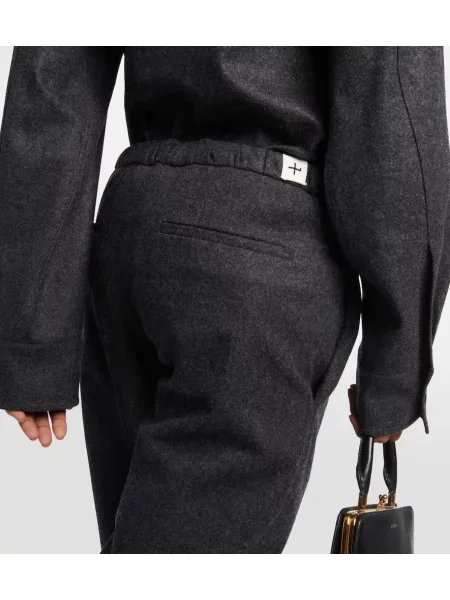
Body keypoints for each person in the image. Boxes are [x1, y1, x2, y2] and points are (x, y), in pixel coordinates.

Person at [0, 47, 448, 554]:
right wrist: (397, 366)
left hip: (135, 227)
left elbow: (55, 68)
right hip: (259, 255)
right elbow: (391, 85)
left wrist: (31, 329)